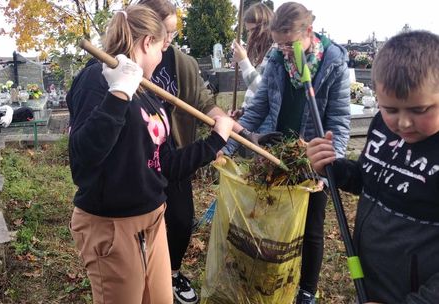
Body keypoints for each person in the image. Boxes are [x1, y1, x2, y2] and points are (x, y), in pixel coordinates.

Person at [66, 5, 233, 304]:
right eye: (161, 46)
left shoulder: (145, 90)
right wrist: (117, 95)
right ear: (147, 43)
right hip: (112, 226)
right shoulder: (97, 80)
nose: (163, 55)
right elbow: (83, 161)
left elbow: (165, 165)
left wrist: (214, 142)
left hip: (154, 222)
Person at [135, 1, 280, 302]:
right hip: (138, 158)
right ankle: (141, 276)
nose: (170, 40)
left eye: (175, 33)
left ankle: (171, 273)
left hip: (174, 152)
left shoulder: (180, 63)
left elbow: (204, 103)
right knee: (143, 222)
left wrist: (244, 133)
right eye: (167, 32)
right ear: (148, 30)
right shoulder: (126, 61)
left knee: (181, 217)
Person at [224, 2, 351, 303]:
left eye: (288, 43)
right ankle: (273, 273)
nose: (282, 50)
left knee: (312, 226)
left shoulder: (333, 63)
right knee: (273, 219)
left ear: (308, 32)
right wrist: (227, 143)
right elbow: (258, 108)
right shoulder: (277, 60)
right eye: (278, 44)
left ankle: (306, 288)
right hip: (277, 151)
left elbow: (339, 122)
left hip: (314, 156)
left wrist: (329, 167)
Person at [307, 30, 439, 304]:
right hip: (370, 284)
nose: (403, 123)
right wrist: (332, 167)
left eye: (419, 110)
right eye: (391, 109)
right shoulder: (381, 125)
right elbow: (368, 179)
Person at [231, 2, 274, 115]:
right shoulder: (262, 52)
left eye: (253, 30)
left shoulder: (274, 53)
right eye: (248, 30)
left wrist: (243, 62)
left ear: (266, 26)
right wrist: (243, 111)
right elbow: (254, 95)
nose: (250, 35)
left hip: (263, 126)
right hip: (252, 119)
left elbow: (263, 92)